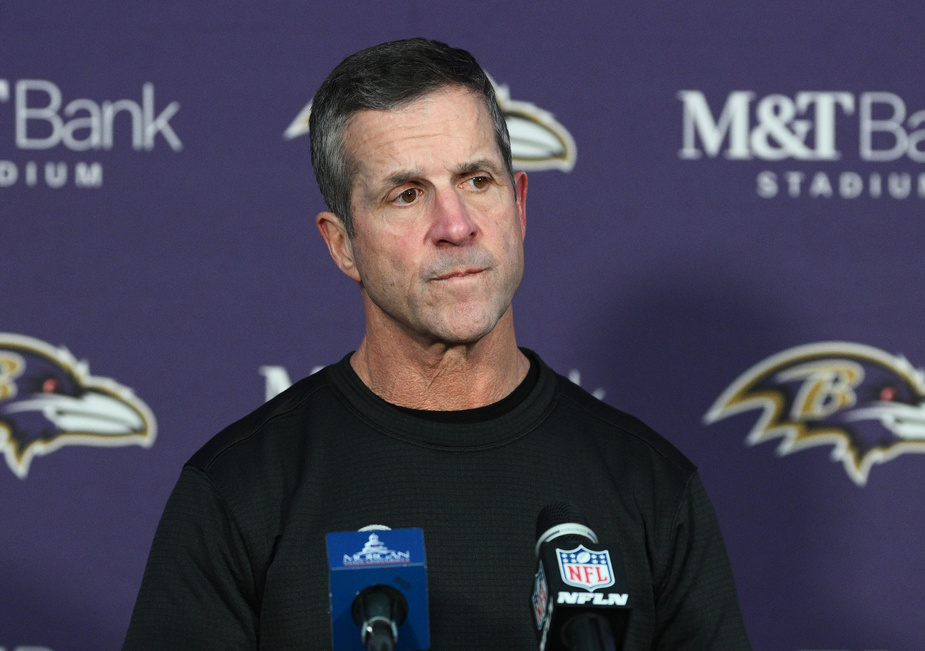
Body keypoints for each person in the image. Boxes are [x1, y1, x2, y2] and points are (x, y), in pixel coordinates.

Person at [124, 38, 750, 650]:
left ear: (520, 205)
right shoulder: (241, 489)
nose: (455, 225)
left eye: (477, 180)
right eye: (407, 194)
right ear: (342, 244)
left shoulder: (650, 485)